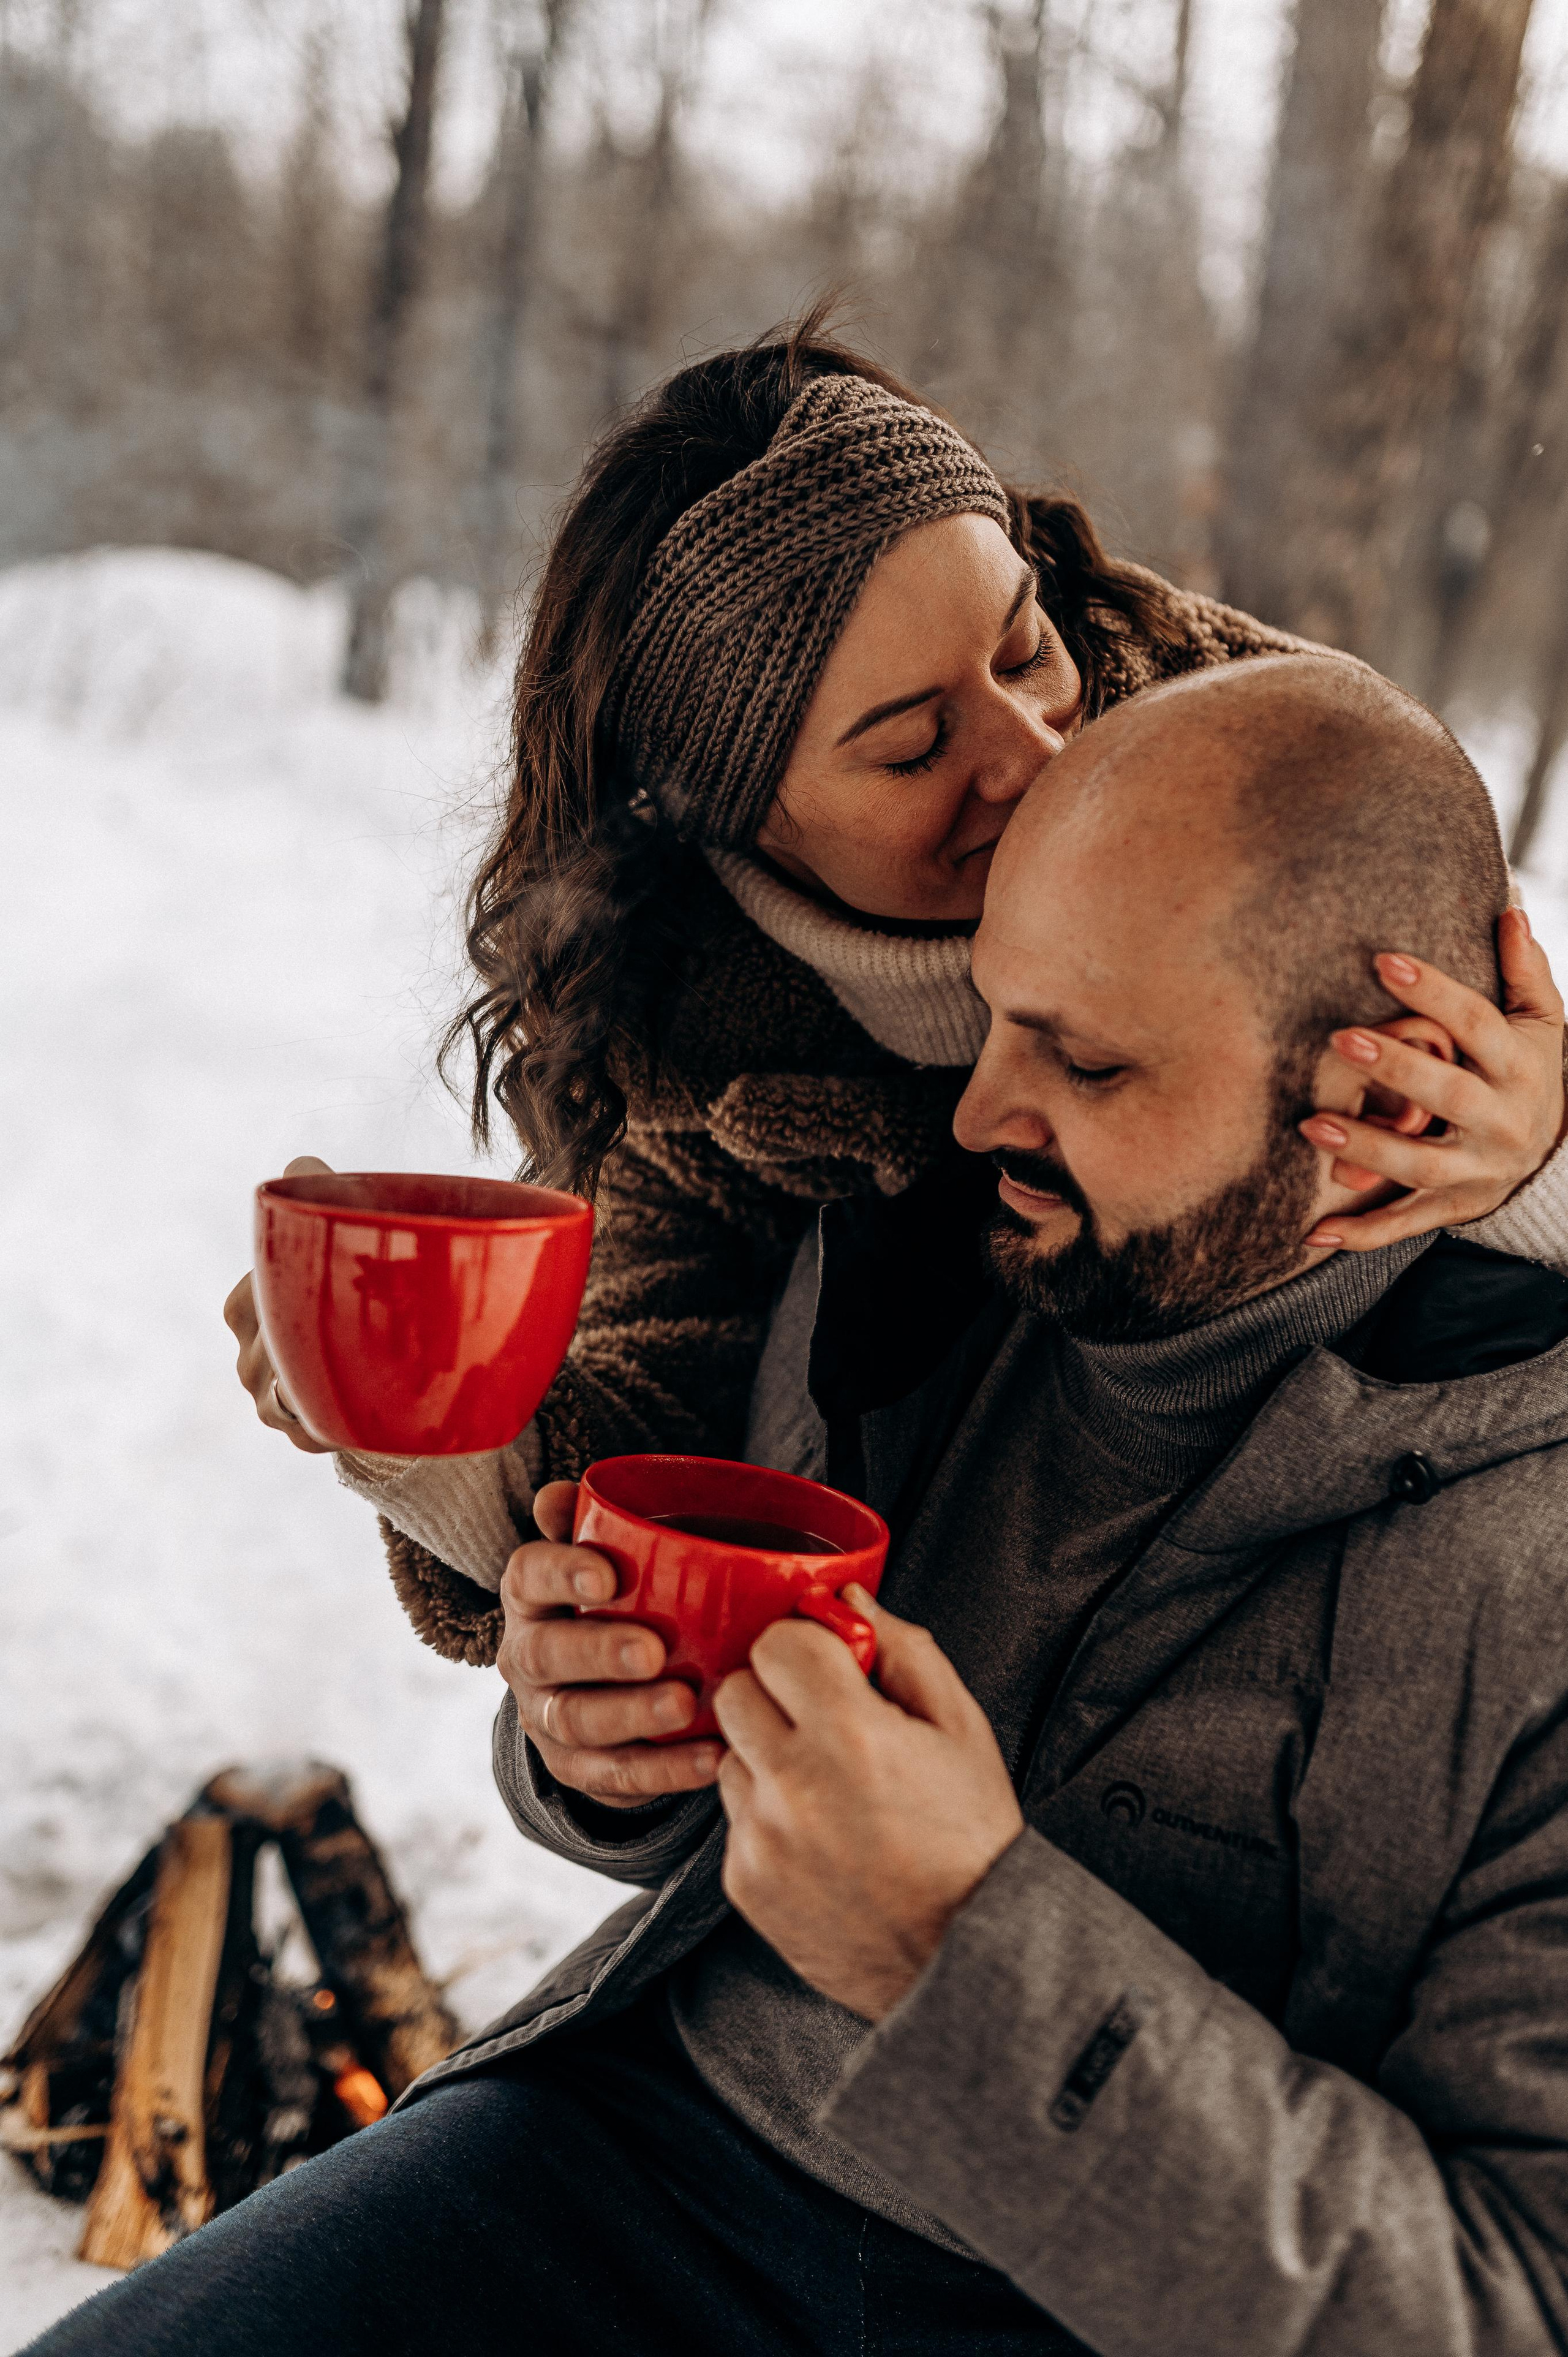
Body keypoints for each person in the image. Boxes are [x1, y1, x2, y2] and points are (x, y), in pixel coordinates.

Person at [47, 655, 1568, 2354]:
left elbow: (1498, 2313)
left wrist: (956, 1953)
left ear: (1386, 1090)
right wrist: (596, 1733)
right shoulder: (924, 1265)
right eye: (994, 1014)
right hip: (638, 2140)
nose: (984, 1105)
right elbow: (685, 1790)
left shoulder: (1533, 1562)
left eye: (1084, 1063)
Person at [224, 319, 1568, 1705]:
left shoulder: (1240, 748)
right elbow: (655, 1458)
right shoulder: (695, 1050)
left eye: (1023, 647)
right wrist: (445, 1443)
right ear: (737, 822)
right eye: (915, 745)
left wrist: (1538, 1166)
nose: (1036, 755)